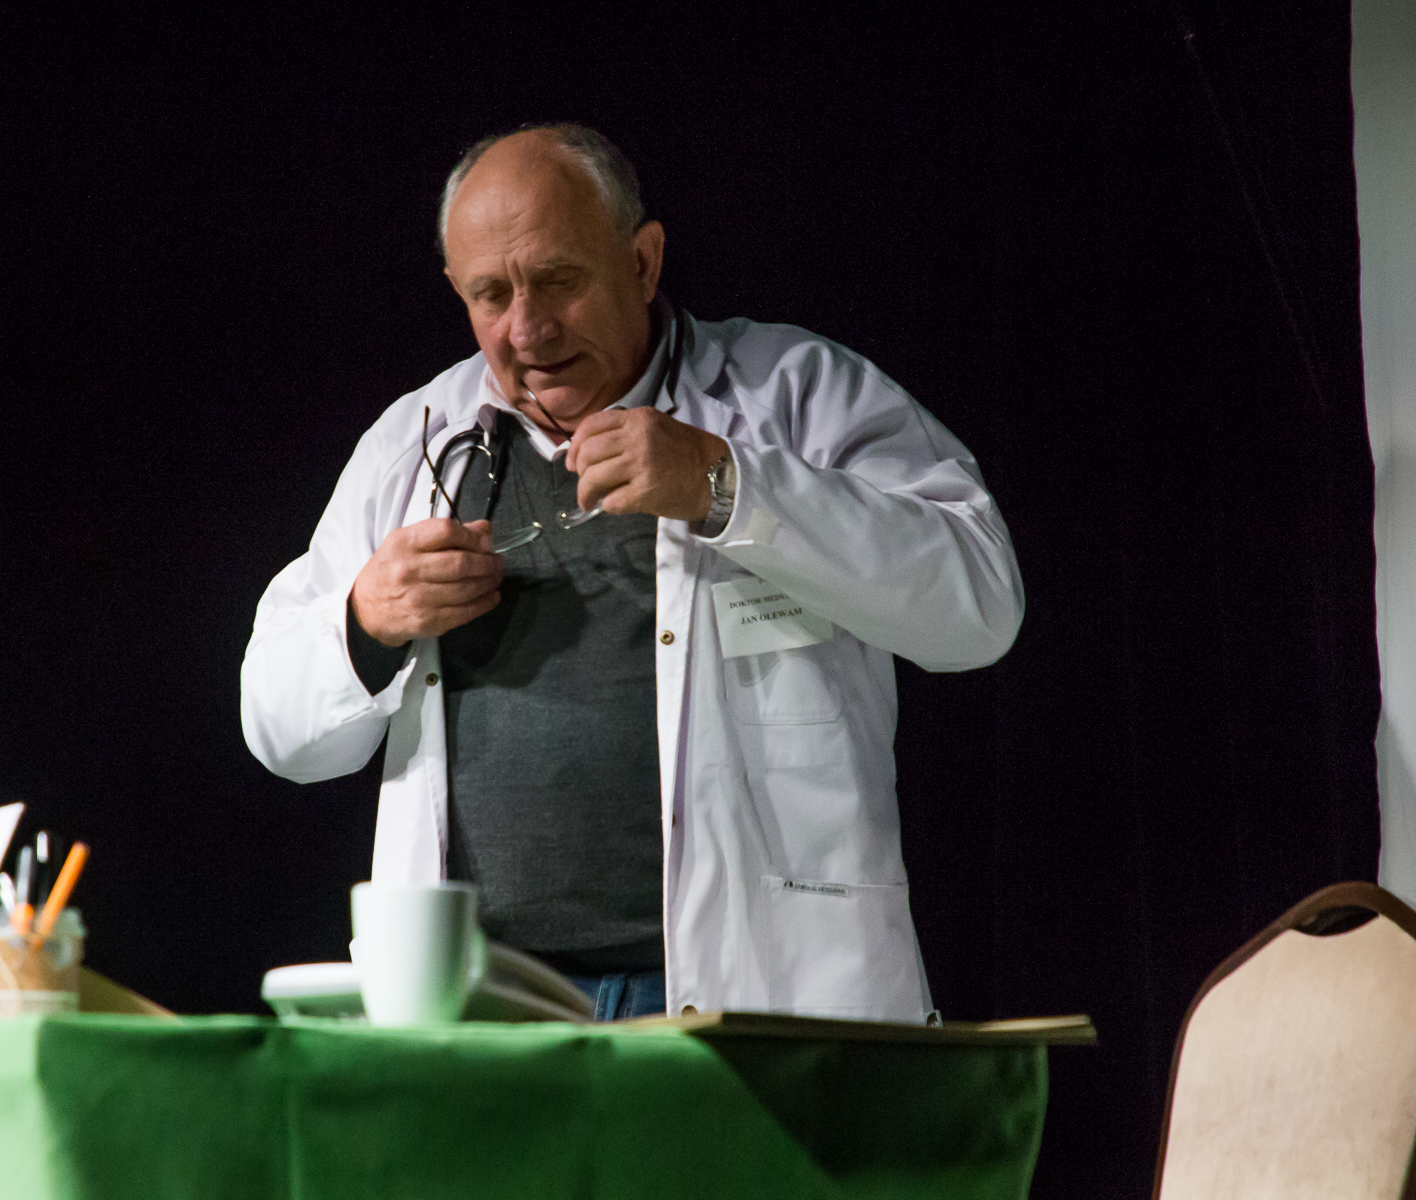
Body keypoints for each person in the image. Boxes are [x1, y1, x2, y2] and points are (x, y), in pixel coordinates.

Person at [241, 124, 1022, 1022]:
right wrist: (365, 620)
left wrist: (727, 484)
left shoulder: (795, 394)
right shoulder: (411, 442)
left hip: (746, 994)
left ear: (643, 261)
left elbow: (979, 602)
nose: (527, 329)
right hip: (490, 1004)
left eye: (559, 281)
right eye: (491, 295)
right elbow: (275, 723)